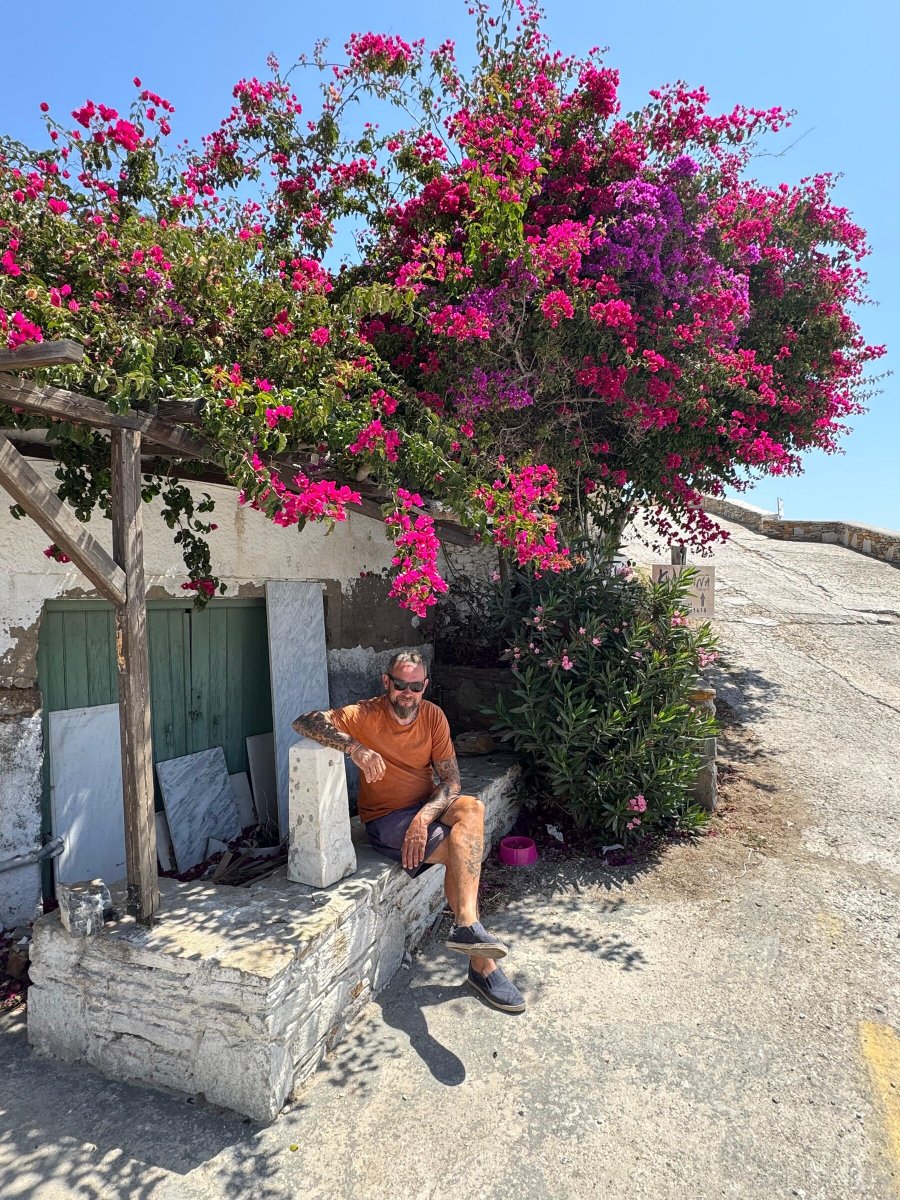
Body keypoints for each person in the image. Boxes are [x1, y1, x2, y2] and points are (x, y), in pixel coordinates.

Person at [292, 650, 525, 1013]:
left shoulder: (433, 716)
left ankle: (467, 924)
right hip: (387, 818)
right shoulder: (365, 714)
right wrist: (354, 748)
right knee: (461, 852)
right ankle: (483, 966)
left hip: (424, 809)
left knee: (473, 809)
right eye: (401, 684)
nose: (408, 693)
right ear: (387, 682)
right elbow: (305, 721)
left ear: (425, 686)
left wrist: (423, 818)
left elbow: (451, 781)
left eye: (416, 687)